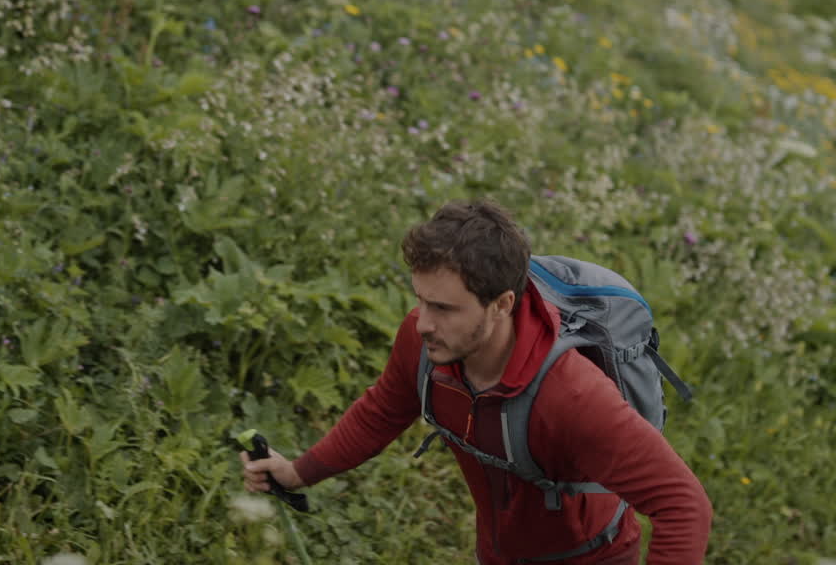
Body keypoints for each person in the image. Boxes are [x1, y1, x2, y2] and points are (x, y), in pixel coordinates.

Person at [241, 199, 713, 564]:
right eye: (421, 300)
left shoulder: (572, 395)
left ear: (503, 305)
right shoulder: (426, 340)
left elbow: (684, 505)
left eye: (443, 308)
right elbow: (383, 410)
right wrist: (298, 472)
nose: (423, 322)